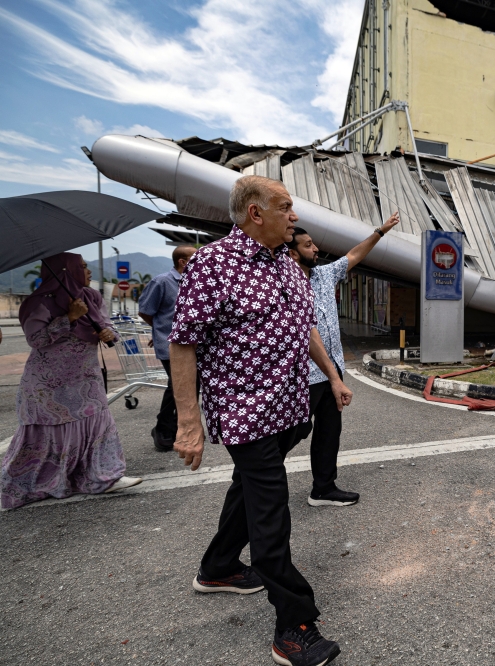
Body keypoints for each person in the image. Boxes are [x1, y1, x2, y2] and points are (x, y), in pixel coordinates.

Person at [169, 175, 350, 666]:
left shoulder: (287, 266)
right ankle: (293, 626)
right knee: (270, 510)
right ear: (255, 212)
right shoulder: (212, 266)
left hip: (288, 410)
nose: (294, 216)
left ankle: (218, 567)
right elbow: (182, 343)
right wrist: (189, 424)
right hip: (244, 414)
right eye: (286, 207)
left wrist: (331, 376)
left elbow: (303, 326)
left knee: (247, 490)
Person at [1, 253, 141, 509]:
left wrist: (109, 331)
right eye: (83, 267)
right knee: (48, 434)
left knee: (99, 424)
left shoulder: (91, 297)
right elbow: (37, 340)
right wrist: (69, 318)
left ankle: (105, 476)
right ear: (66, 271)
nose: (88, 272)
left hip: (85, 380)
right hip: (48, 386)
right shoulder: (38, 304)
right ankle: (31, 482)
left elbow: (106, 324)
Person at [285, 212, 398, 507]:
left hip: (332, 369)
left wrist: (380, 231)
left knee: (329, 432)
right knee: (291, 432)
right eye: (308, 246)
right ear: (292, 254)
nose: (316, 249)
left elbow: (353, 255)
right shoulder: (283, 285)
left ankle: (322, 488)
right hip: (303, 373)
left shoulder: (323, 274)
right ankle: (257, 481)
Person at [138, 245, 197, 452]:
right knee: (177, 387)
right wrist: (159, 331)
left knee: (191, 387)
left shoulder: (196, 283)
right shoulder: (162, 282)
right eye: (195, 257)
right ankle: (162, 428)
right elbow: (146, 311)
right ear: (183, 261)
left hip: (193, 345)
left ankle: (181, 427)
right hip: (170, 345)